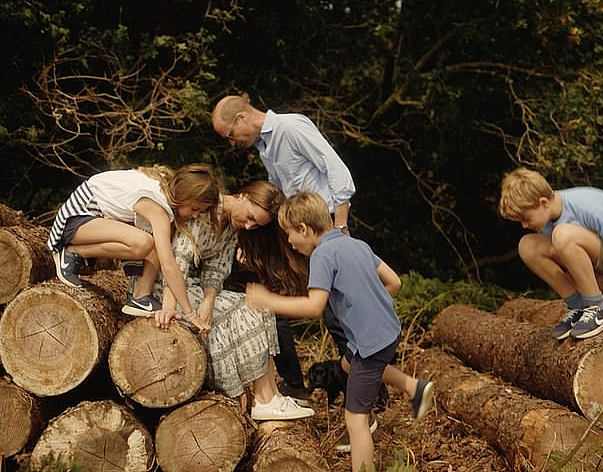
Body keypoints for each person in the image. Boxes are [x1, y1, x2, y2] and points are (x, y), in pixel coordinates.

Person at [246, 191, 434, 472]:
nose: (289, 242)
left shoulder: (322, 255)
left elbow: (314, 306)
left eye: (289, 235)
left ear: (304, 229)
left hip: (370, 342)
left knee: (355, 421)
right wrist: (370, 305)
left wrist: (269, 300)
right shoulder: (354, 244)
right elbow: (394, 282)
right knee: (348, 364)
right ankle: (413, 386)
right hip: (387, 331)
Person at [212, 94, 356, 405]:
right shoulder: (266, 147)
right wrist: (256, 246)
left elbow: (338, 172)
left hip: (325, 231)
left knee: (339, 316)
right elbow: (278, 199)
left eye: (229, 135)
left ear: (241, 119)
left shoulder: (290, 129)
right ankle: (294, 386)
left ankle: (369, 393)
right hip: (296, 234)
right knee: (276, 303)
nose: (232, 143)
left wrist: (340, 230)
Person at [153, 180, 314, 420]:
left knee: (259, 305)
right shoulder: (206, 209)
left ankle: (269, 397)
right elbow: (178, 261)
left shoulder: (232, 227)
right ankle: (264, 399)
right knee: (246, 307)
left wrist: (208, 300)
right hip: (166, 286)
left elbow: (217, 269)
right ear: (242, 196)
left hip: (191, 287)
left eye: (255, 224)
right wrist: (175, 306)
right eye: (249, 216)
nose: (248, 226)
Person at [46, 163, 218, 331]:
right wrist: (190, 313)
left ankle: (140, 296)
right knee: (143, 243)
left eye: (200, 212)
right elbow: (169, 265)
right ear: (184, 195)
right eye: (194, 208)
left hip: (93, 223)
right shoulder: (156, 205)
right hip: (74, 222)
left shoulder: (164, 197)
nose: (195, 216)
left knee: (155, 242)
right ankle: (72, 252)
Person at [498, 167, 603, 340]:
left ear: (544, 202)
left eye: (526, 219)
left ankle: (597, 307)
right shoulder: (545, 218)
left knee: (562, 234)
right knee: (527, 245)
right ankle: (578, 305)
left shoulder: (585, 206)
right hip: (591, 251)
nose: (524, 225)